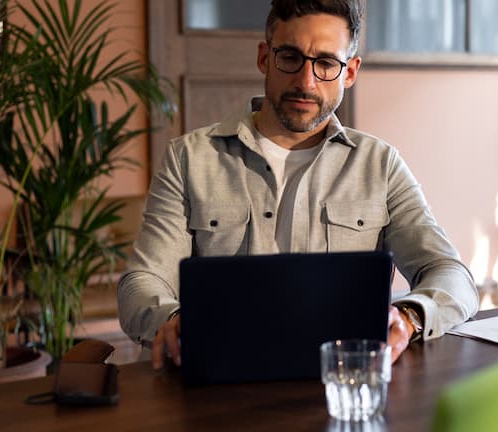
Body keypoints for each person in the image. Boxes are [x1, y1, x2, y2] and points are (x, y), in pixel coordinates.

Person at [117, 0, 478, 370]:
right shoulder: (188, 159)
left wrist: (410, 316)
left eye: (325, 63)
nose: (305, 82)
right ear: (264, 58)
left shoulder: (380, 165)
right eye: (290, 57)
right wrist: (172, 320)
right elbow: (142, 282)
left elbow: (452, 276)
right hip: (219, 380)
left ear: (350, 72)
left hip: (343, 379)